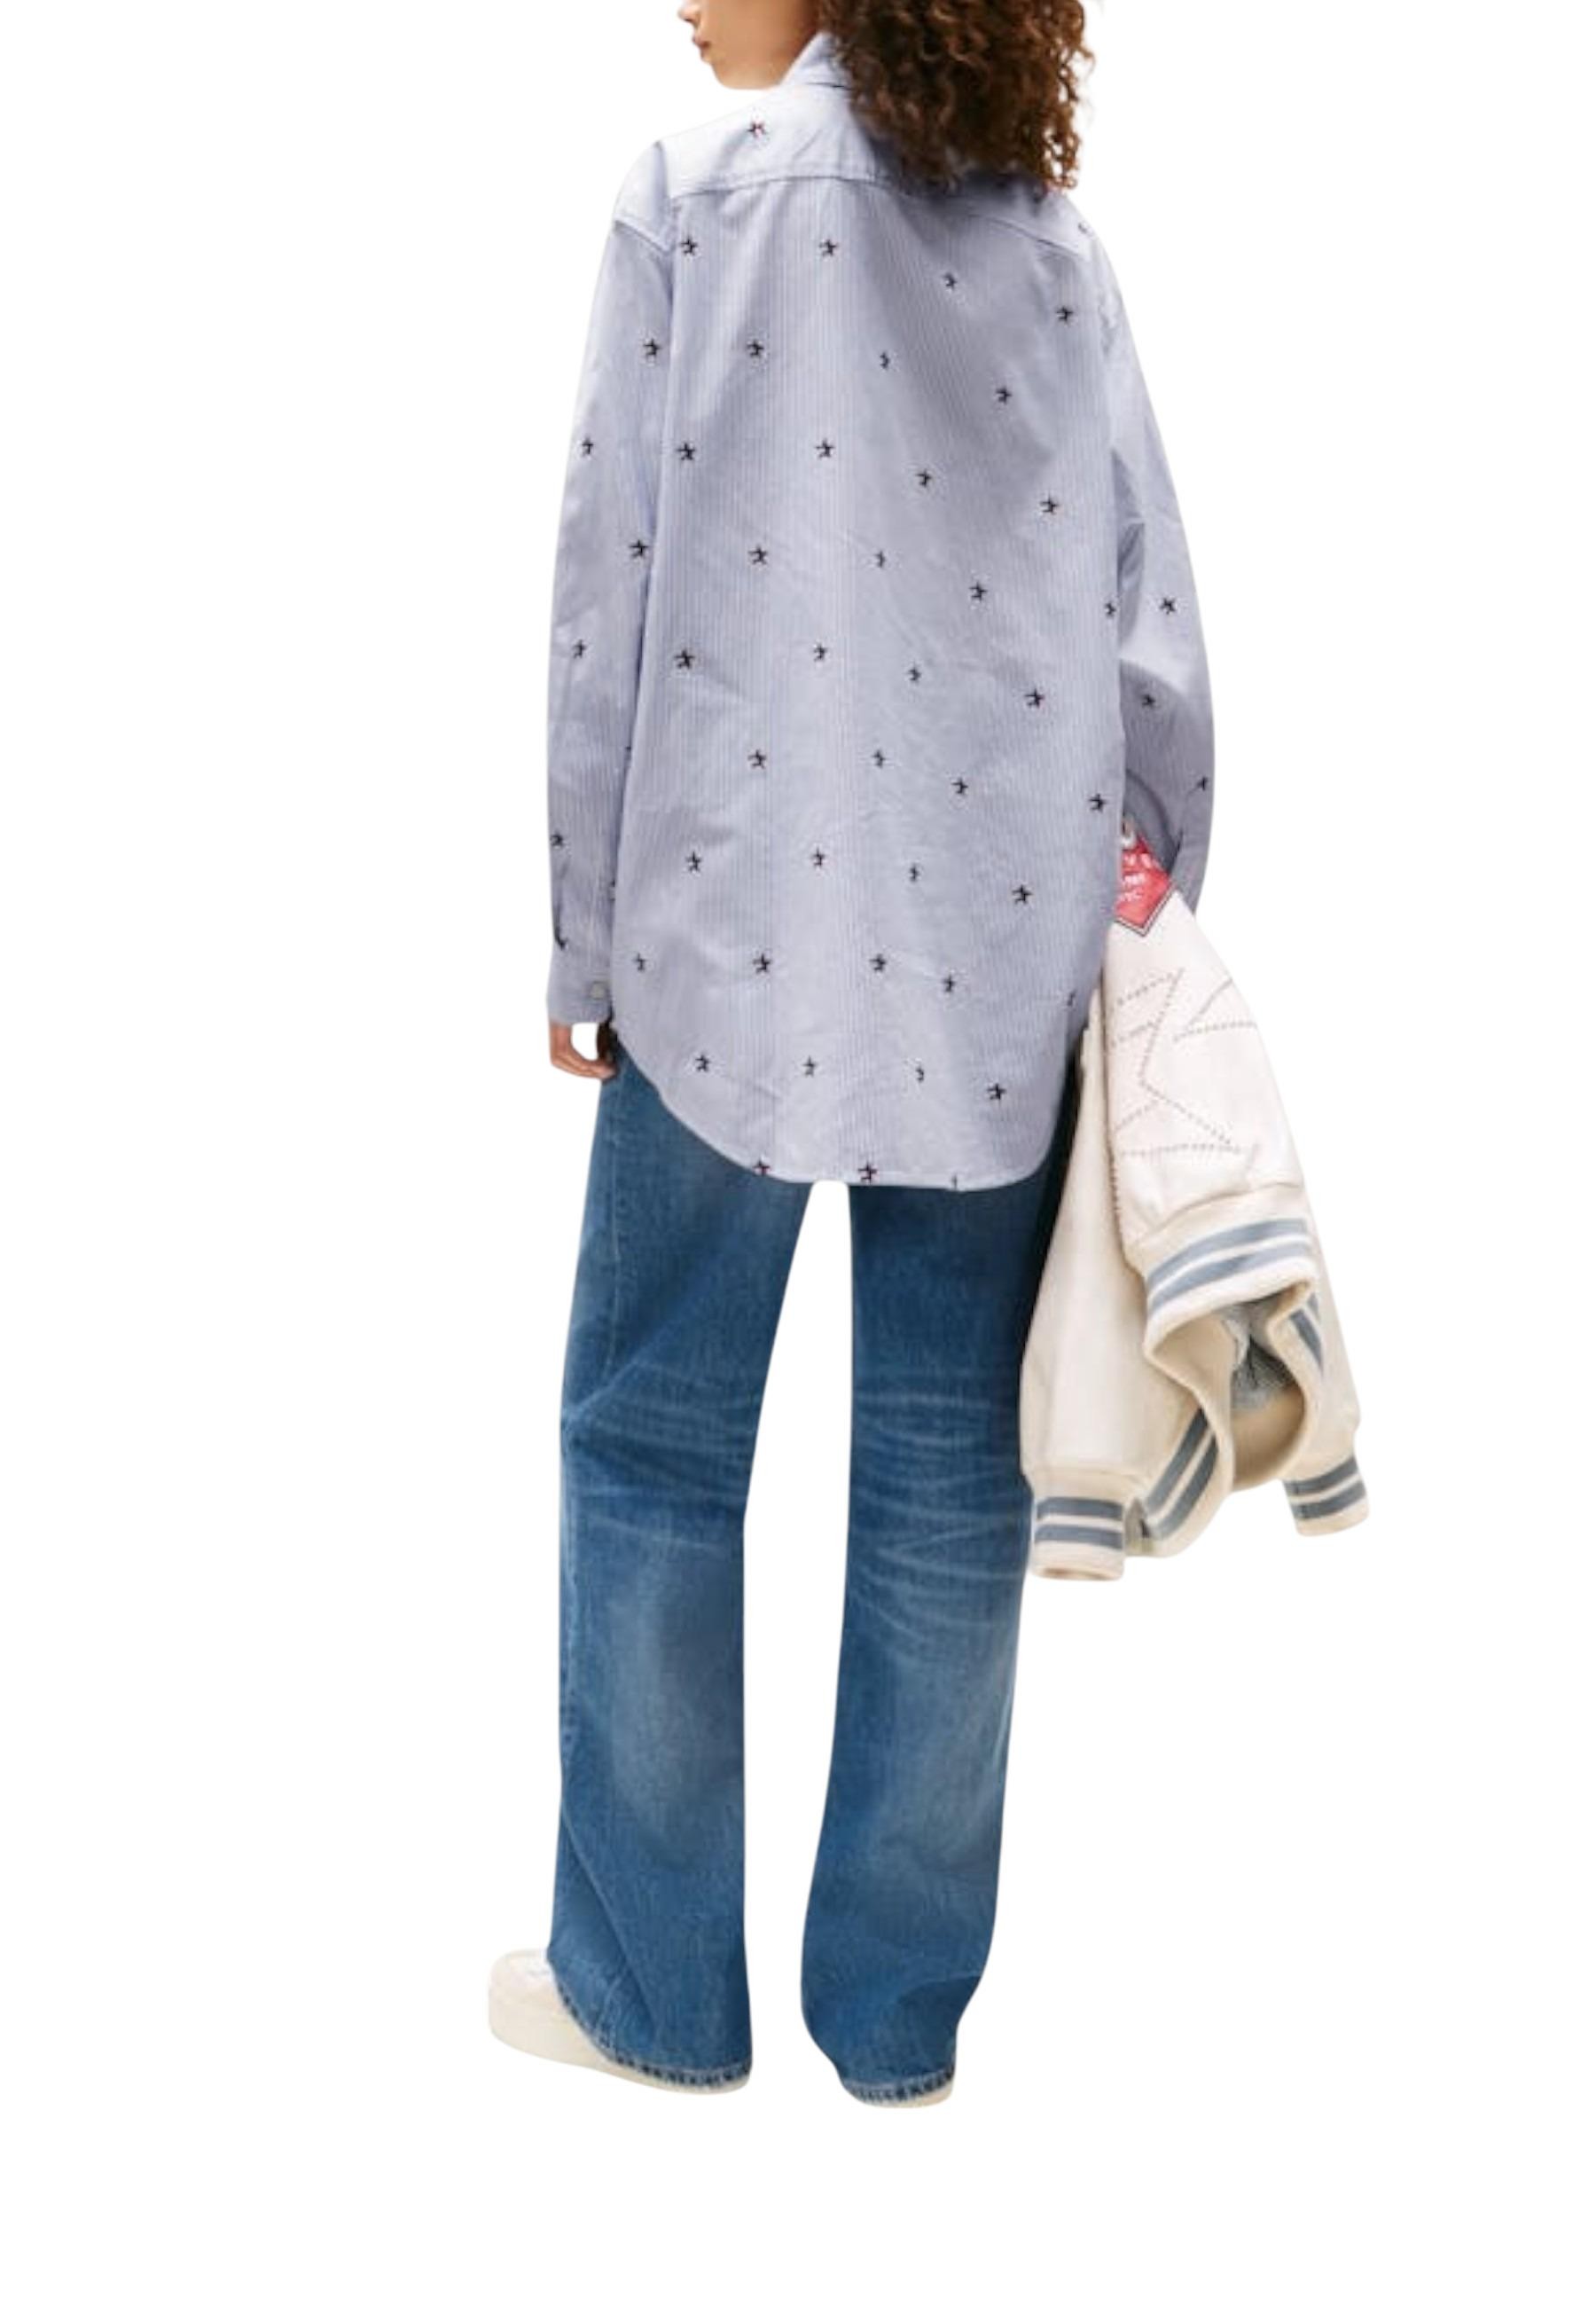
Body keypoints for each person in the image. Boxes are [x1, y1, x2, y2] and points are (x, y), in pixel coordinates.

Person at [489, 0, 1214, 2106]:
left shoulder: (688, 203)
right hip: (998, 956)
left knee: (650, 1439)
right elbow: (1154, 628)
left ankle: (651, 1996)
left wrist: (578, 921)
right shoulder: (1054, 244)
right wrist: (1151, 903)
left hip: (720, 934)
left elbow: (605, 594)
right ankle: (895, 2027)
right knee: (947, 1479)